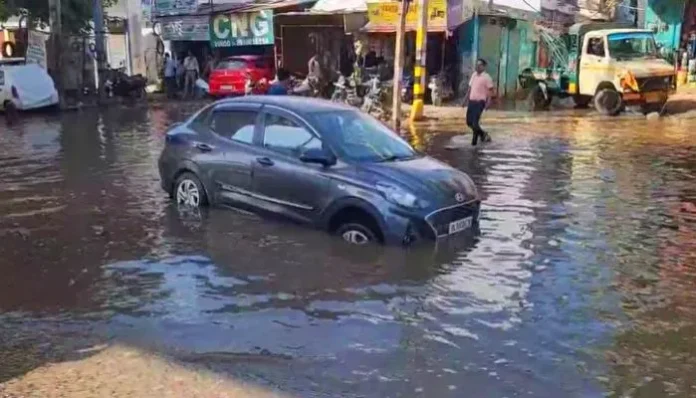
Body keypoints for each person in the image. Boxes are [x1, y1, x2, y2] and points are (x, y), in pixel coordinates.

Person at [465, 58, 494, 146]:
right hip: (471, 101)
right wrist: (464, 100)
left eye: (480, 65)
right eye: (477, 65)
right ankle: (483, 134)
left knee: (474, 123)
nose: (478, 66)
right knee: (469, 122)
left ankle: (473, 144)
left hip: (480, 102)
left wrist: (488, 102)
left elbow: (490, 91)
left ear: (484, 67)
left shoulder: (487, 77)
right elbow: (469, 89)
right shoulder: (474, 75)